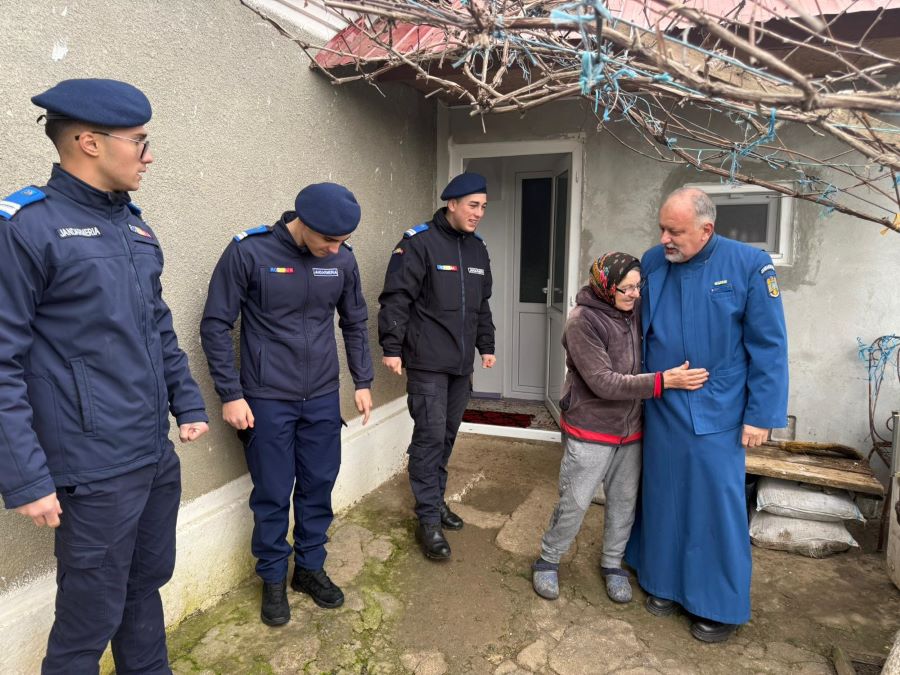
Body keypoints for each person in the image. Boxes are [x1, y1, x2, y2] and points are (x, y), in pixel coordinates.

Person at [0, 78, 209, 674]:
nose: (149, 155)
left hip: (152, 454)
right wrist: (24, 476)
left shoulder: (135, 227)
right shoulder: (25, 228)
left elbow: (157, 325)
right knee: (88, 619)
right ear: (90, 142)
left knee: (145, 586)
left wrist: (188, 401)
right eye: (139, 141)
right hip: (92, 469)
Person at [200, 182, 374, 626]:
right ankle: (274, 578)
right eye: (328, 240)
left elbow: (355, 321)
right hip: (267, 398)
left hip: (321, 396)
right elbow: (216, 324)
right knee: (273, 492)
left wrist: (363, 380)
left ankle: (310, 569)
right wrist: (231, 393)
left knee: (318, 484)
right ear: (302, 223)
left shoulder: (341, 260)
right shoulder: (249, 252)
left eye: (343, 242)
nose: (334, 249)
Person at [626, 187, 789, 643]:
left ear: (706, 229)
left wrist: (761, 415)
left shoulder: (749, 265)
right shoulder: (653, 262)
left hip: (718, 408)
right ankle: (661, 582)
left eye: (674, 231)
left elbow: (770, 346)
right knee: (661, 496)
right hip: (662, 403)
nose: (664, 239)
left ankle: (718, 604)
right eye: (662, 228)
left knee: (714, 506)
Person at [531, 253, 708, 604]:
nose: (635, 295)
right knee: (576, 501)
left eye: (638, 287)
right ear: (605, 285)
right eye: (626, 288)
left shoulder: (633, 311)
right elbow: (604, 383)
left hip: (631, 429)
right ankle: (548, 559)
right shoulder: (582, 321)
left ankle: (612, 564)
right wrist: (664, 382)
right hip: (591, 428)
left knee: (624, 503)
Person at [378, 172, 495, 560]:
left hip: (461, 366)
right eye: (473, 205)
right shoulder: (419, 243)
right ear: (452, 204)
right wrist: (392, 346)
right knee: (429, 437)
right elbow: (396, 298)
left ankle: (435, 500)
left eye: (483, 207)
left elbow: (481, 305)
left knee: (445, 435)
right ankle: (427, 519)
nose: (479, 213)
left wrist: (486, 345)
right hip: (427, 361)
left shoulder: (477, 250)